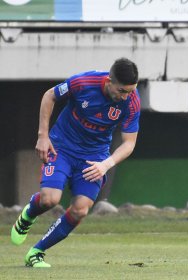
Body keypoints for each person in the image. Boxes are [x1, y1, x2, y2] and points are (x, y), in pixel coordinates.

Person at [10, 57, 140, 267]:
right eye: (122, 91)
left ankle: (36, 252)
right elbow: (49, 95)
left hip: (95, 156)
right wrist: (43, 136)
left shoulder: (132, 101)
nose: (126, 96)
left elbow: (129, 143)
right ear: (109, 81)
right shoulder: (84, 83)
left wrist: (105, 164)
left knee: (80, 209)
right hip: (62, 146)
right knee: (49, 200)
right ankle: (28, 215)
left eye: (131, 91)